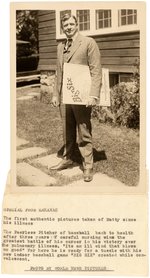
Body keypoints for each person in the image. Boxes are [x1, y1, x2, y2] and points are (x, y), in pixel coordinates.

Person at [51, 13, 102, 182]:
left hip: (81, 96)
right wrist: (55, 94)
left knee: (83, 130)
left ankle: (88, 165)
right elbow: (59, 72)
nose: (69, 27)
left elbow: (96, 70)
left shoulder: (88, 42)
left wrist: (93, 94)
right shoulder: (60, 47)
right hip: (65, 96)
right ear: (62, 28)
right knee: (67, 129)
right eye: (65, 25)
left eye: (71, 24)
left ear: (77, 24)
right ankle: (68, 158)